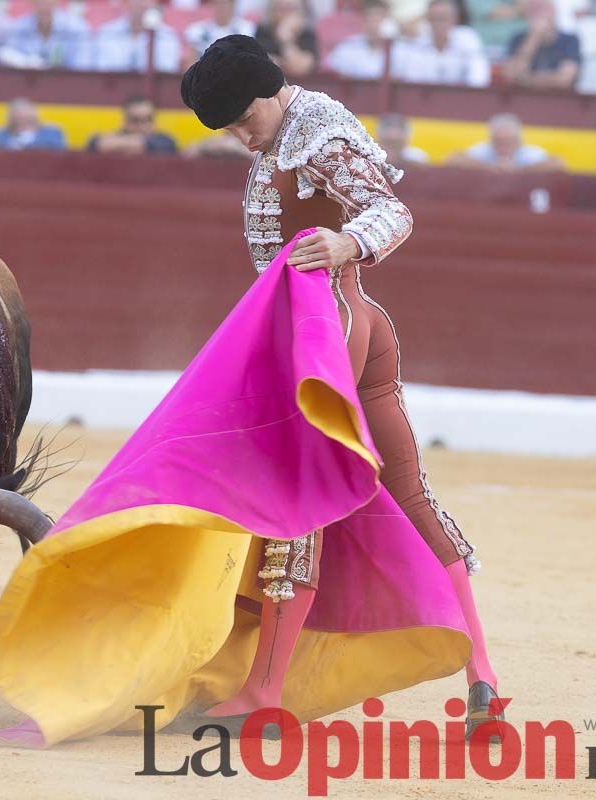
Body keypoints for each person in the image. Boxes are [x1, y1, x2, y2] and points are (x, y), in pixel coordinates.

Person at [180, 34, 501, 738]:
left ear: (268, 93)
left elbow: (391, 210)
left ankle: (266, 689)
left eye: (242, 120)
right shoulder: (290, 132)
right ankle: (484, 677)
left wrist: (348, 243)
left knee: (300, 509)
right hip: (355, 326)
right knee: (410, 495)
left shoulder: (316, 137)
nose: (240, 135)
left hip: (328, 333)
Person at [392, 0, 490, 87]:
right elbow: (412, 83)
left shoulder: (468, 38)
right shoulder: (416, 42)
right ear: (427, 20)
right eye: (434, 19)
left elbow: (478, 78)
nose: (438, 24)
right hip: (423, 103)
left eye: (443, 19)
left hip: (460, 102)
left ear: (454, 20)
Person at [503, 0, 580, 90]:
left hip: (558, 99)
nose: (539, 15)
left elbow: (565, 79)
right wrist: (533, 38)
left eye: (543, 9)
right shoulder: (517, 38)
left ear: (553, 12)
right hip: (524, 98)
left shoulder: (570, 40)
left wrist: (526, 80)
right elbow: (512, 74)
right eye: (534, 10)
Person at [446, 112, 562, 171]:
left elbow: (557, 164)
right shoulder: (485, 150)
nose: (504, 146)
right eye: (500, 142)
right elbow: (452, 159)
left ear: (519, 141)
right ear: (492, 140)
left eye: (509, 142)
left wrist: (519, 171)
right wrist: (491, 168)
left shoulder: (528, 153)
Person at [0, 0, 92, 69]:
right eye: (39, 2)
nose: (43, 5)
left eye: (48, 2)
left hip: (67, 86)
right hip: (28, 85)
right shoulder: (19, 26)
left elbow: (82, 66)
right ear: (31, 3)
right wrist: (25, 62)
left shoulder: (76, 27)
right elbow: (6, 53)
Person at [92, 0, 181, 73]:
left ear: (155, 4)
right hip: (111, 90)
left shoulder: (167, 36)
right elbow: (100, 71)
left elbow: (166, 73)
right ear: (125, 3)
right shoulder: (106, 33)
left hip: (152, 93)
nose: (143, 3)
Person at [325, 0, 395, 80]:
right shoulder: (347, 47)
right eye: (370, 18)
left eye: (379, 19)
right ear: (363, 21)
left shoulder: (400, 50)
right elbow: (330, 71)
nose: (374, 25)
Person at [85, 95, 178, 155]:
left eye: (148, 120)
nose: (143, 127)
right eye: (136, 121)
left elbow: (168, 146)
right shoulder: (110, 137)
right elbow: (93, 143)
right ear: (125, 122)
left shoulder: (165, 142)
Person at [253, 0, 319, 77]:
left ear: (302, 13)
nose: (285, 13)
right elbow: (262, 65)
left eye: (290, 8)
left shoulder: (307, 34)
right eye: (281, 8)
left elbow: (299, 68)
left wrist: (285, 40)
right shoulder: (263, 31)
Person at [0, 98, 67, 150]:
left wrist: (27, 143)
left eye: (29, 120)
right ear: (11, 121)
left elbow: (57, 153)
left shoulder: (53, 134)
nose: (24, 124)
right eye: (19, 121)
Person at [185, 0, 257, 58]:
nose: (221, 8)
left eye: (225, 3)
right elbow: (191, 63)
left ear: (233, 5)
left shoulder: (247, 29)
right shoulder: (197, 30)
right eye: (217, 3)